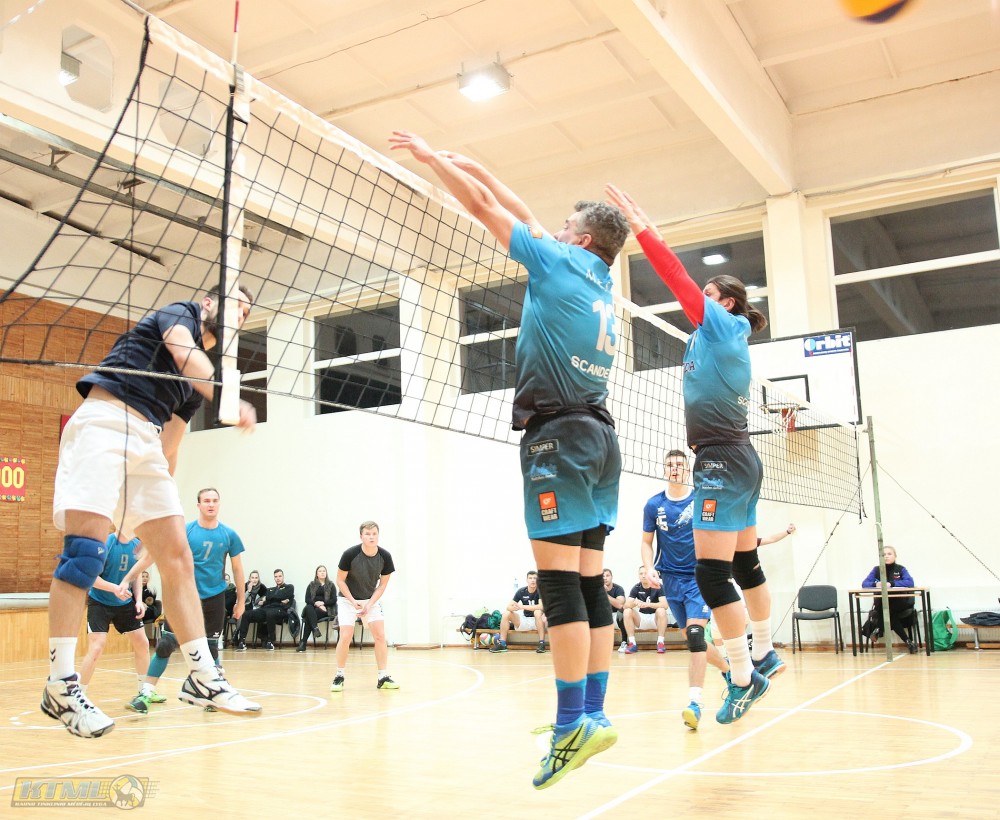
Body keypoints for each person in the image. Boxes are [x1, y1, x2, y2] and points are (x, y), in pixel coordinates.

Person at [390, 131, 628, 789]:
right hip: (600, 438)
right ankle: (593, 714)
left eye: (566, 226)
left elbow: (484, 211)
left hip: (558, 437)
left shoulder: (557, 263)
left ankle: (569, 727)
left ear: (580, 238)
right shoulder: (598, 278)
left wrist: (435, 163)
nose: (554, 229)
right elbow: (520, 212)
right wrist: (480, 166)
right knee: (588, 584)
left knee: (559, 587)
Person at [45, 285, 260, 737]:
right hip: (104, 422)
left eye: (246, 314)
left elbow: (171, 445)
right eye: (235, 307)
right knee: (84, 556)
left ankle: (202, 676)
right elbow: (183, 353)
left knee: (177, 555)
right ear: (208, 303)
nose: (239, 317)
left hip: (147, 445)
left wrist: (152, 511)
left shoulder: (197, 383)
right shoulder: (179, 315)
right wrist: (229, 395)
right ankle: (60, 685)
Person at [607, 184, 780, 725]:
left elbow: (675, 276)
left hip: (722, 461)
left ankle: (744, 677)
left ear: (725, 302)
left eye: (709, 293)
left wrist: (642, 229)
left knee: (711, 574)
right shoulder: (709, 336)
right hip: (739, 458)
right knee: (744, 563)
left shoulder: (723, 326)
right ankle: (764, 651)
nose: (699, 299)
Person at [124, 487, 248, 713]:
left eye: (215, 501)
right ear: (198, 505)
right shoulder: (186, 531)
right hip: (184, 597)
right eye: (206, 501)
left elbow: (238, 569)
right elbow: (153, 556)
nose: (211, 504)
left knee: (211, 648)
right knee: (166, 644)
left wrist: (241, 601)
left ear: (219, 504)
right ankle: (145, 694)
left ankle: (214, 695)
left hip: (214, 599)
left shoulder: (229, 534)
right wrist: (127, 578)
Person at [641, 450, 735, 730]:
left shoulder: (701, 499)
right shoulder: (653, 505)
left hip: (698, 577)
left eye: (680, 465)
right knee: (693, 640)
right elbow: (646, 542)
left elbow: (719, 531)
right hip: (670, 580)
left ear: (687, 470)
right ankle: (730, 671)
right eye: (670, 465)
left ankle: (694, 703)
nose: (675, 469)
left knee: (695, 635)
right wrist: (649, 567)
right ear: (664, 469)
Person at [77, 533, 158, 711]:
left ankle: (144, 692)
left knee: (142, 643)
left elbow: (136, 574)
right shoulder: (105, 543)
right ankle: (78, 695)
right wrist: (115, 588)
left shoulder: (136, 545)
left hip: (125, 602)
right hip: (100, 602)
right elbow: (92, 578)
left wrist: (138, 600)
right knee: (96, 647)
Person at [330, 521, 397, 691]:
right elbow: (340, 580)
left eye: (374, 534)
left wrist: (370, 603)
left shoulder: (385, 556)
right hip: (347, 600)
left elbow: (382, 585)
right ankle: (339, 675)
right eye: (367, 534)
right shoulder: (349, 554)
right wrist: (353, 602)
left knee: (380, 636)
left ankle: (383, 677)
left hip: (370, 600)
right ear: (361, 536)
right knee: (346, 636)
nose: (371, 537)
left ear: (378, 536)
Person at [861, 546, 918, 651]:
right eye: (883, 555)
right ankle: (908, 642)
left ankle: (878, 628)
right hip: (882, 603)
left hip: (899, 602)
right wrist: (875, 584)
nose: (886, 556)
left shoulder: (900, 569)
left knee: (887, 611)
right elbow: (864, 583)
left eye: (889, 554)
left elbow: (910, 582)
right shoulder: (876, 569)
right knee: (889, 613)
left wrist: (891, 584)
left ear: (895, 556)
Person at [490, 571, 548, 653]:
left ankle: (542, 644)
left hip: (538, 621)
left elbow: (541, 606)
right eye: (530, 578)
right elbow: (508, 607)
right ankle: (502, 644)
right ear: (527, 580)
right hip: (525, 620)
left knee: (537, 612)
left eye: (535, 578)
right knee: (506, 614)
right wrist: (515, 608)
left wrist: (522, 607)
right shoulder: (521, 591)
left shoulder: (541, 590)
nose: (532, 580)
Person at [236, 569, 294, 650]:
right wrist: (276, 599)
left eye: (280, 576)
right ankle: (242, 641)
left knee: (270, 613)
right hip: (267, 608)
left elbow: (282, 595)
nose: (278, 578)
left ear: (283, 577)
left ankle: (271, 641)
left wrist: (270, 598)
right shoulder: (270, 589)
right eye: (276, 577)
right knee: (246, 614)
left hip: (280, 609)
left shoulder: (289, 587)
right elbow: (270, 597)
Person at [621, 566, 670, 654]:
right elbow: (626, 605)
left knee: (661, 610)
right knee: (627, 611)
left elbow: (665, 605)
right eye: (641, 574)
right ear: (638, 576)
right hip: (641, 619)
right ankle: (632, 643)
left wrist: (647, 604)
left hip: (655, 619)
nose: (643, 576)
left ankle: (660, 642)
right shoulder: (636, 587)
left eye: (645, 573)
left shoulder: (658, 586)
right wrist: (635, 603)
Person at [297, 565, 336, 652]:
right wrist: (316, 604)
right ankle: (315, 628)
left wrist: (323, 603)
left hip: (325, 609)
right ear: (317, 574)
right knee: (309, 608)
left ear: (326, 573)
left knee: (309, 617)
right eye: (320, 571)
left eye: (324, 571)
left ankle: (303, 643)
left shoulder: (331, 585)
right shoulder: (311, 585)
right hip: (312, 608)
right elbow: (307, 599)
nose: (322, 573)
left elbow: (334, 599)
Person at [603, 569, 628, 652]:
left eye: (607, 575)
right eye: (603, 576)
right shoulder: (597, 589)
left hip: (617, 613)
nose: (605, 578)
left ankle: (624, 641)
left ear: (612, 577)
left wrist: (605, 594)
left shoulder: (618, 589)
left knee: (622, 613)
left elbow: (620, 604)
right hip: (604, 613)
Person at [140, 570, 163, 641]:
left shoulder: (150, 590)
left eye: (146, 577)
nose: (145, 578)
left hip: (149, 610)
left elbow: (149, 602)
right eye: (143, 576)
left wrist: (141, 603)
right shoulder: (134, 588)